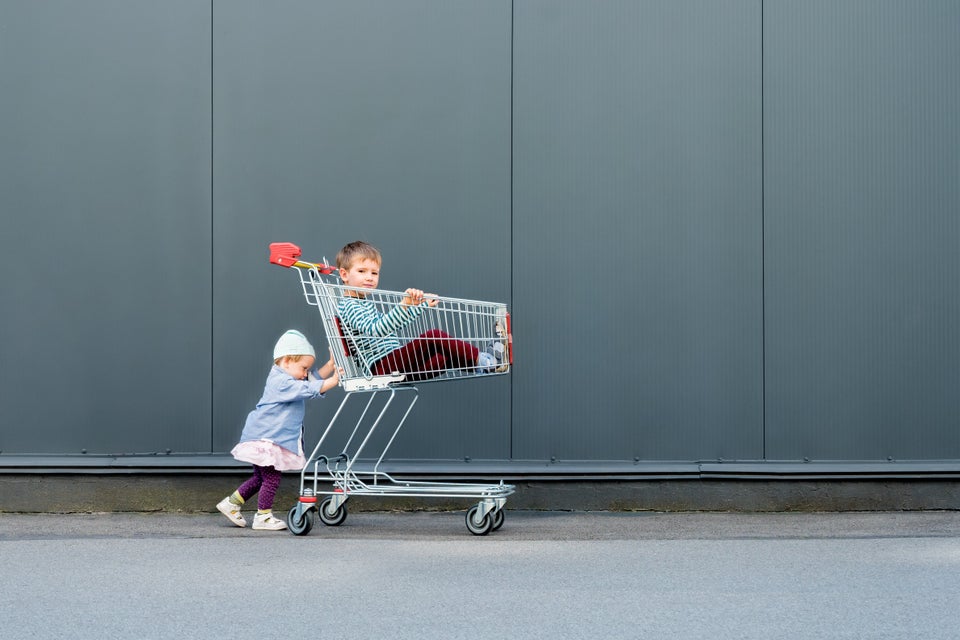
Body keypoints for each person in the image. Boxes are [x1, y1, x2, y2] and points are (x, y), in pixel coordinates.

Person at [216, 329, 339, 530]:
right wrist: (332, 382)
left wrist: (329, 366)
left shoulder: (289, 377)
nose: (305, 374)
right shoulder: (281, 382)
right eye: (304, 368)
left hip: (263, 436)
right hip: (267, 439)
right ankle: (262, 517)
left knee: (260, 478)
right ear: (287, 361)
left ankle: (231, 503)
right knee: (271, 478)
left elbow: (310, 381)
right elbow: (306, 388)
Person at [335, 240, 503, 381]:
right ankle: (487, 361)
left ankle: (484, 365)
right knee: (433, 336)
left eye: (374, 273)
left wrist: (420, 306)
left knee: (441, 359)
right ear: (344, 274)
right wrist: (404, 305)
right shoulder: (350, 306)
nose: (370, 277)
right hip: (382, 365)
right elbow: (377, 330)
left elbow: (392, 326)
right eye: (362, 271)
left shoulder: (362, 303)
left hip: (394, 362)